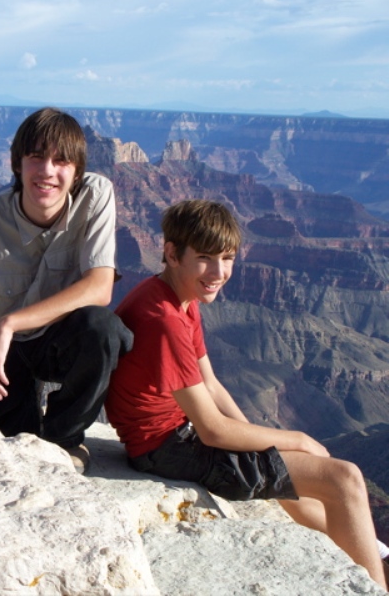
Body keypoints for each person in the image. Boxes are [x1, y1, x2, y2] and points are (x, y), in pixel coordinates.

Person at [105, 199, 387, 589]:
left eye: (228, 258)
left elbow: (211, 384)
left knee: (286, 467)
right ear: (171, 253)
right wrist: (299, 440)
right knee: (346, 479)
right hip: (166, 450)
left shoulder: (175, 297)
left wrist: (266, 443)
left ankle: (353, 555)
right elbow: (213, 433)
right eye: (205, 257)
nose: (219, 273)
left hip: (170, 438)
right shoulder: (164, 320)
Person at [0, 107, 127, 473]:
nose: (47, 171)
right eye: (36, 158)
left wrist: (8, 323)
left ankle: (66, 441)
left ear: (76, 171)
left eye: (61, 161)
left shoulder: (96, 196)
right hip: (1, 359)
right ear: (18, 165)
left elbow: (100, 286)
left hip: (57, 342)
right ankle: (26, 418)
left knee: (103, 329)